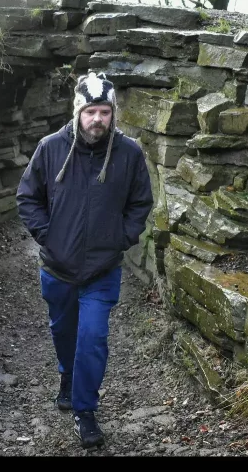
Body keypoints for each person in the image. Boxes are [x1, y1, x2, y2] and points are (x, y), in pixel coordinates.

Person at [16, 71, 154, 449]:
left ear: (113, 114)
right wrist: (49, 236)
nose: (98, 119)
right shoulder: (50, 148)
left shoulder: (129, 153)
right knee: (64, 332)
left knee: (92, 337)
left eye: (105, 112)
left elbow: (141, 202)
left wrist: (121, 238)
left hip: (102, 269)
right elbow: (27, 197)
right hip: (57, 267)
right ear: (78, 111)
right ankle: (66, 375)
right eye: (91, 111)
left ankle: (85, 409)